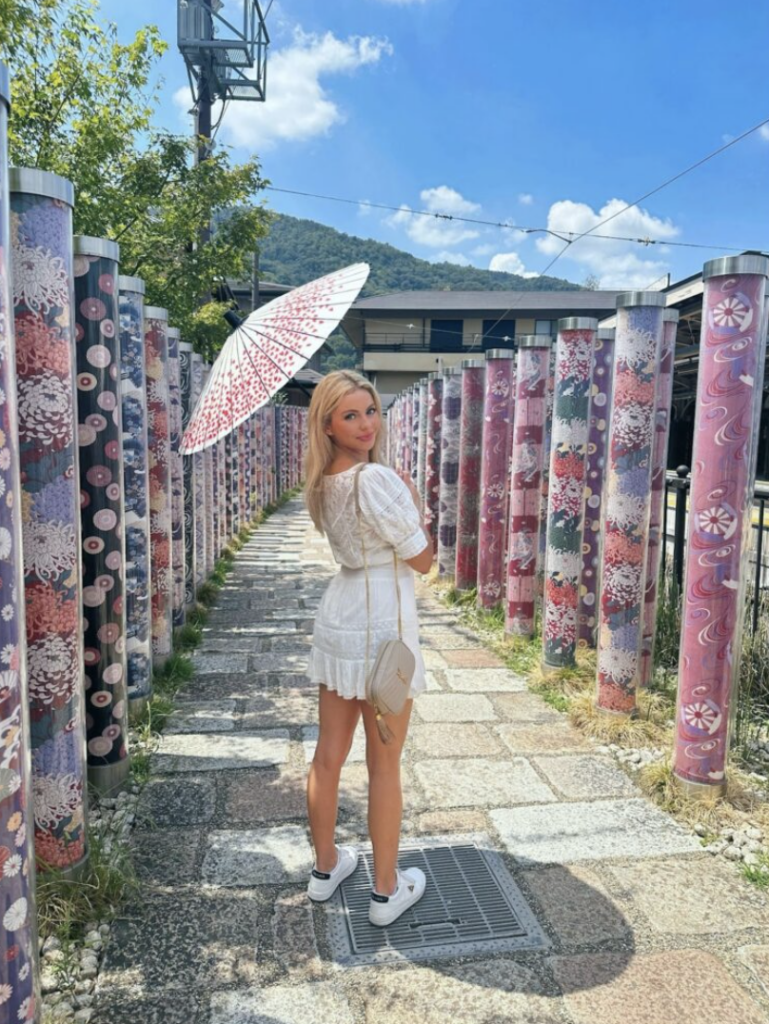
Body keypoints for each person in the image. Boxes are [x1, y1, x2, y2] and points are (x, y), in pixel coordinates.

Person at [303, 370, 433, 927]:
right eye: (350, 415)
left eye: (370, 411)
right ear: (328, 425)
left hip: (340, 616)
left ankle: (326, 867)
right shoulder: (376, 479)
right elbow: (423, 560)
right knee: (384, 764)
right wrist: (410, 500)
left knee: (328, 755)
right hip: (383, 625)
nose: (364, 424)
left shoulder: (323, 480)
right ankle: (385, 890)